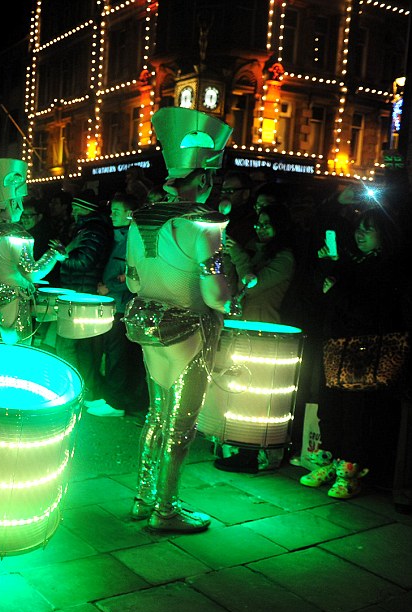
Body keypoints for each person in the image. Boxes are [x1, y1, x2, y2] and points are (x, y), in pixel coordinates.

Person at [123, 106, 234, 533]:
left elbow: (132, 282)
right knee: (181, 424)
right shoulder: (205, 223)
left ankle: (142, 497)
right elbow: (216, 295)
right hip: (190, 330)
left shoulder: (139, 219)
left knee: (155, 415)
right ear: (204, 178)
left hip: (148, 328)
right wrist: (231, 298)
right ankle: (166, 508)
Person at [298, 206, 409, 500]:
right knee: (330, 407)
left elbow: (371, 313)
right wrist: (328, 266)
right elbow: (322, 294)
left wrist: (335, 290)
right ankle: (333, 462)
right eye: (359, 227)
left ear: (384, 234)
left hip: (366, 352)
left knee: (356, 413)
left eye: (368, 229)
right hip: (337, 347)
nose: (360, 233)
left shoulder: (391, 269)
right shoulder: (352, 261)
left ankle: (351, 470)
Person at [214, 201, 298, 473]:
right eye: (258, 223)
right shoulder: (252, 250)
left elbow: (253, 285)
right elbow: (231, 284)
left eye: (267, 224)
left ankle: (251, 454)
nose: (260, 229)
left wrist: (238, 255)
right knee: (237, 390)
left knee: (254, 395)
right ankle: (236, 447)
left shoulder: (284, 258)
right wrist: (228, 257)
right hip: (240, 328)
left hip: (263, 331)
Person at [0, 157, 67, 345]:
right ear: (11, 203)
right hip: (13, 304)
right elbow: (32, 272)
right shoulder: (17, 235)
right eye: (19, 200)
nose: (22, 207)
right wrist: (53, 254)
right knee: (18, 353)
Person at [89, 191, 148, 418]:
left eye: (116, 211)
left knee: (119, 356)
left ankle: (117, 402)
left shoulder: (133, 240)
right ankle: (114, 398)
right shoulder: (124, 237)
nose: (111, 215)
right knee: (115, 355)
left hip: (123, 306)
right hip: (117, 305)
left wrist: (111, 288)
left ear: (130, 214)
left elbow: (135, 277)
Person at [56, 189, 113, 407]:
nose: (72, 210)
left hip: (80, 294)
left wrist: (62, 257)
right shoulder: (89, 228)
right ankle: (82, 390)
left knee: (70, 345)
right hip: (80, 292)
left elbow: (84, 262)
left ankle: (74, 391)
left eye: (76, 206)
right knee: (79, 347)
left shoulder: (92, 230)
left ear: (83, 208)